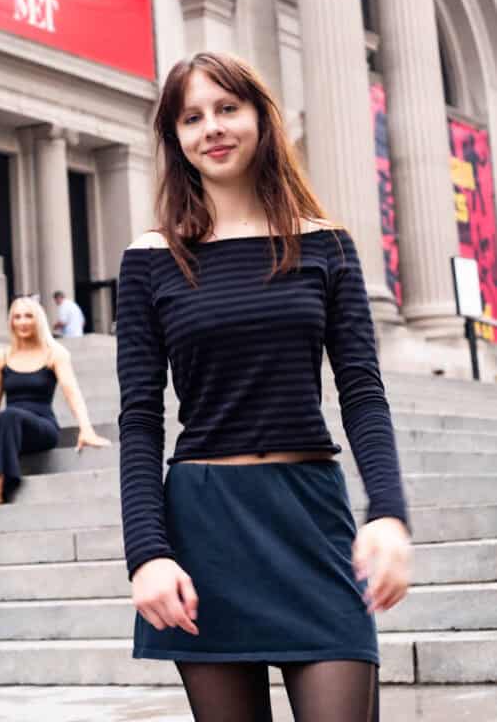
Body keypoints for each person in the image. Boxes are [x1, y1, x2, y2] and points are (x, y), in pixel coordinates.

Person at [115, 51, 411, 722]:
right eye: (192, 117)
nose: (212, 129)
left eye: (227, 109)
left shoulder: (326, 245)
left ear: (259, 119)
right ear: (176, 138)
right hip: (206, 526)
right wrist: (146, 555)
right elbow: (139, 419)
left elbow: (362, 391)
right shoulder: (151, 259)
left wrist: (388, 512)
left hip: (310, 515)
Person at [0, 295, 110, 508]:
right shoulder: (1, 356)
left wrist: (86, 429)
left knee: (10, 416)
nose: (22, 322)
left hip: (41, 427)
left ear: (38, 320)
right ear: (11, 322)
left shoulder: (55, 353)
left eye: (28, 316)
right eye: (17, 317)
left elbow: (72, 392)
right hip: (9, 426)